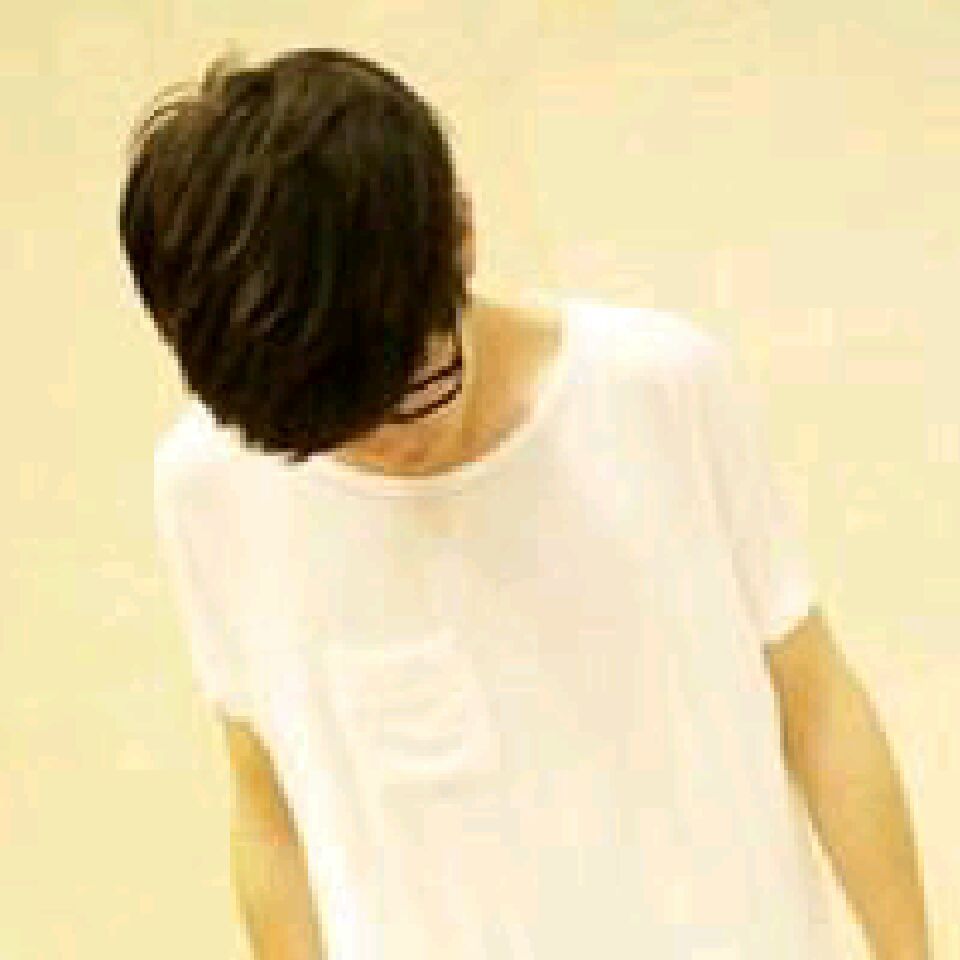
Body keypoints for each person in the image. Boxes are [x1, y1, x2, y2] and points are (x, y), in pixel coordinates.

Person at [119, 47, 930, 960]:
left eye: (412, 388)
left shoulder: (656, 390)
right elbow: (267, 808)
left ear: (460, 234)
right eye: (333, 436)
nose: (391, 445)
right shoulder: (210, 486)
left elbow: (816, 702)